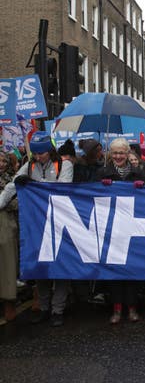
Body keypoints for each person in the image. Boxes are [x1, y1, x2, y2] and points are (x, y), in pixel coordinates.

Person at [0, 132, 74, 327]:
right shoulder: (30, 165)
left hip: (60, 224)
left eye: (42, 153)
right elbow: (11, 186)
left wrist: (34, 185)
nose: (38, 156)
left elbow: (62, 189)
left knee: (60, 267)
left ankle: (58, 310)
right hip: (38, 224)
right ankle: (43, 307)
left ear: (50, 151)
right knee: (41, 265)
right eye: (35, 153)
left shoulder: (64, 165)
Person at [97, 138, 145, 323]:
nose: (118, 156)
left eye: (122, 152)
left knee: (132, 268)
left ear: (128, 154)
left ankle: (133, 307)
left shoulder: (139, 172)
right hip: (112, 228)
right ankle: (117, 309)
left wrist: (143, 188)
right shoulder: (102, 172)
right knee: (115, 269)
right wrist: (100, 188)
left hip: (133, 227)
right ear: (110, 154)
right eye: (115, 152)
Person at [0, 152, 18, 321]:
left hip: (6, 223)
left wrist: (6, 203)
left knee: (7, 263)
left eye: (4, 160)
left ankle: (9, 303)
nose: (1, 163)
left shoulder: (13, 179)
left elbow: (19, 201)